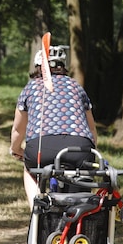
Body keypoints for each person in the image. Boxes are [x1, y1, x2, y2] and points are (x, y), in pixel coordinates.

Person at [9, 45, 98, 207]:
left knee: (30, 169)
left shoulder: (31, 88)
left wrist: (16, 150)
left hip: (42, 148)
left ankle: (36, 211)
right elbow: (92, 129)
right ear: (63, 66)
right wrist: (91, 151)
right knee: (79, 188)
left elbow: (18, 129)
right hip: (80, 148)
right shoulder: (76, 86)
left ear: (38, 66)